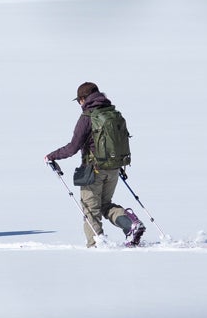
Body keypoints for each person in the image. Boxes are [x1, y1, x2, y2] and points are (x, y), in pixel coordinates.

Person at [44, 82, 145, 248]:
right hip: (113, 168)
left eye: (79, 101)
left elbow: (72, 148)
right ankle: (130, 224)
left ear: (84, 99)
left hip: (93, 170)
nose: (79, 104)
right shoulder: (112, 113)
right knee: (105, 204)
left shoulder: (87, 118)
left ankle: (96, 246)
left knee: (91, 210)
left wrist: (52, 156)